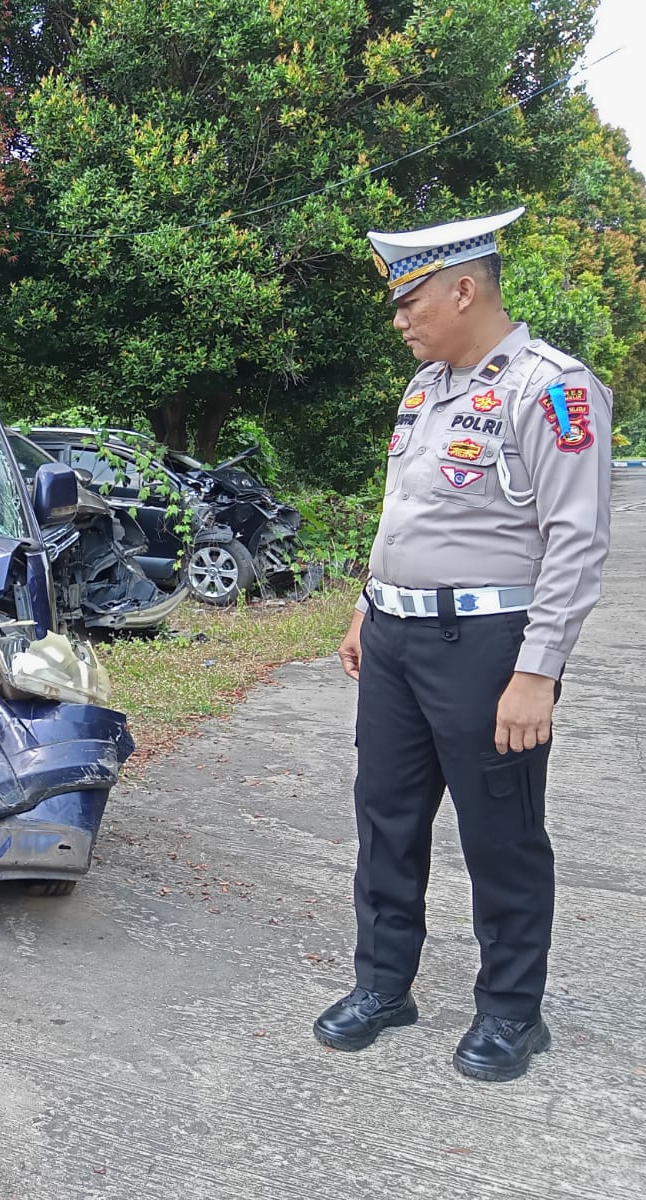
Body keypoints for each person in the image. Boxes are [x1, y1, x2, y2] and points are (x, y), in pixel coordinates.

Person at [312, 208, 612, 1082]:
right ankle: (383, 985)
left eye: (410, 303)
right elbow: (403, 511)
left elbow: (577, 539)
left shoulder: (550, 389)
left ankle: (514, 1012)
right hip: (397, 638)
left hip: (486, 645)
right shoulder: (427, 391)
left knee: (501, 832)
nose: (400, 320)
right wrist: (368, 606)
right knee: (387, 818)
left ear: (464, 288)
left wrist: (537, 672)